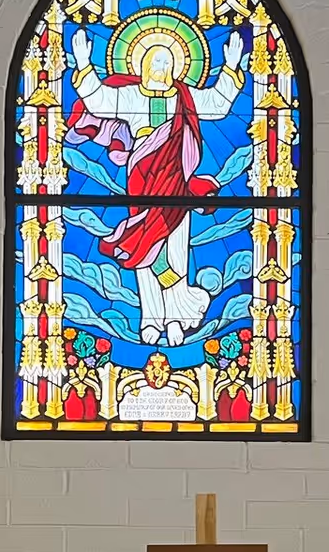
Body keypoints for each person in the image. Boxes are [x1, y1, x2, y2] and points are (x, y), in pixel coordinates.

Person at [65, 27, 244, 345]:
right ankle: (151, 319)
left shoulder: (184, 97)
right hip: (142, 181)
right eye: (155, 62)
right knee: (144, 249)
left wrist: (230, 68)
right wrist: (83, 65)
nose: (161, 69)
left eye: (167, 64)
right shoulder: (130, 94)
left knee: (175, 250)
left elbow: (216, 105)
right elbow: (101, 101)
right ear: (142, 66)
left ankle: (176, 318)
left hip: (176, 185)